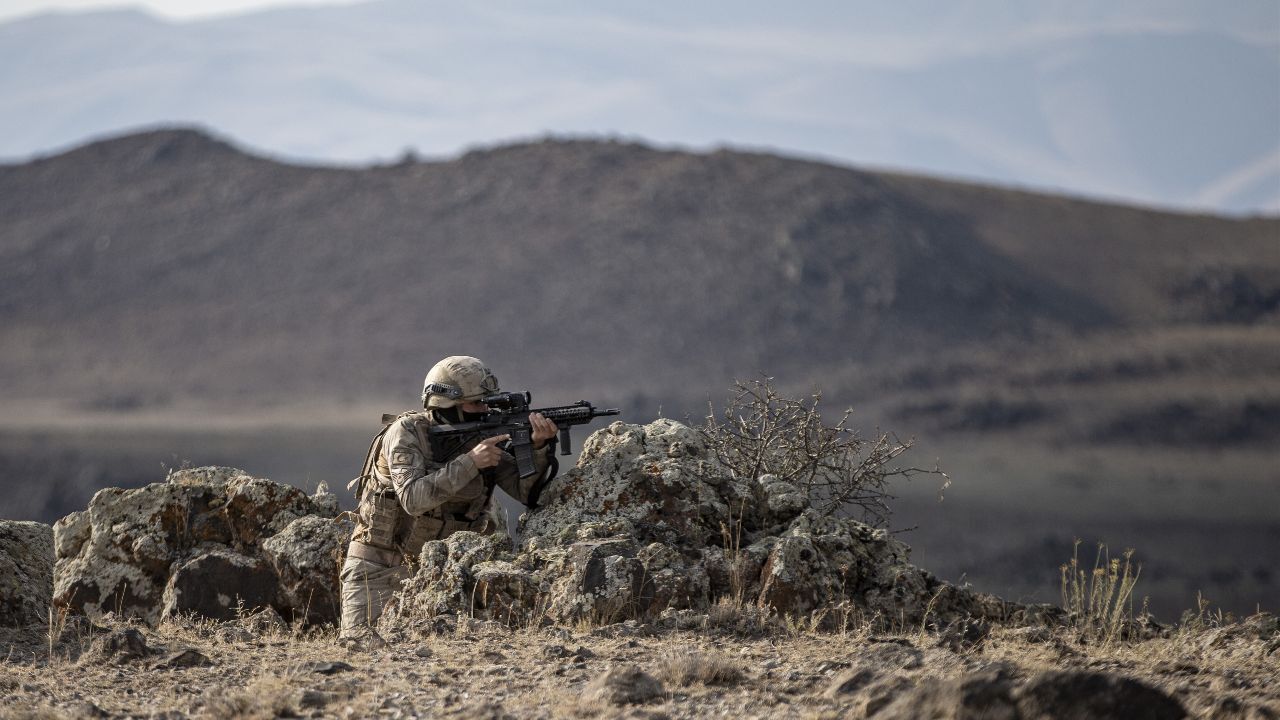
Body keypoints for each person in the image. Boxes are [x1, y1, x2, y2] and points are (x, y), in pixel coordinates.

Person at [338, 356, 558, 646]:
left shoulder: (476, 439)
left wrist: (539, 447)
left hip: (440, 576)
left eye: (486, 403)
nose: (484, 410)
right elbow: (413, 499)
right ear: (446, 404)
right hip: (378, 571)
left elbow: (526, 492)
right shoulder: (407, 433)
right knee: (362, 653)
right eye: (475, 403)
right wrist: (471, 462)